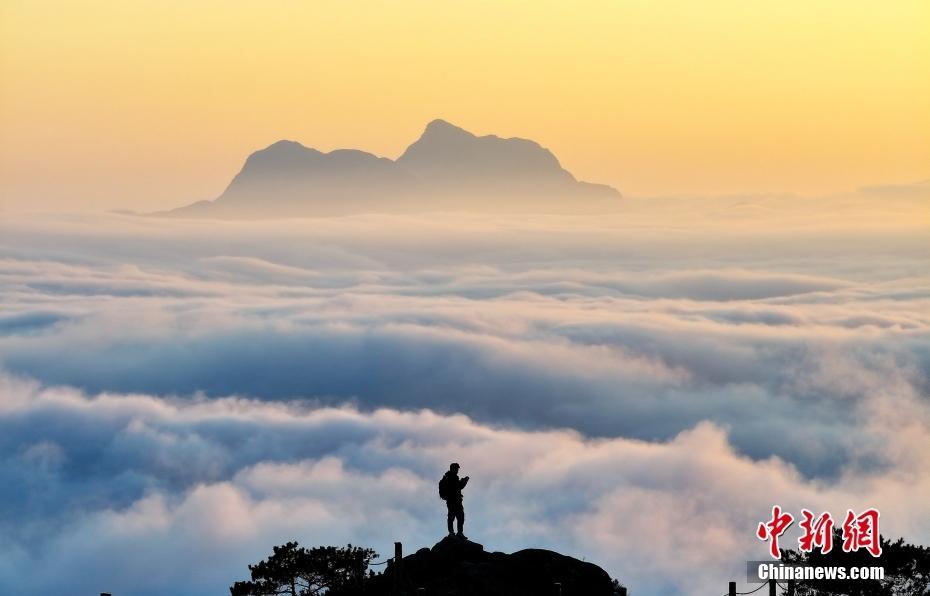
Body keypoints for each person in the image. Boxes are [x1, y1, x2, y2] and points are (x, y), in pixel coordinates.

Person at [439, 462, 469, 538]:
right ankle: (452, 533)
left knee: (460, 516)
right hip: (452, 500)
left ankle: (459, 532)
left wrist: (464, 481)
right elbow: (456, 487)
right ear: (452, 469)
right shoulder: (448, 477)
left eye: (457, 469)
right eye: (456, 468)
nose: (457, 470)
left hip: (457, 500)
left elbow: (459, 487)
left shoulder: (454, 478)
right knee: (452, 516)